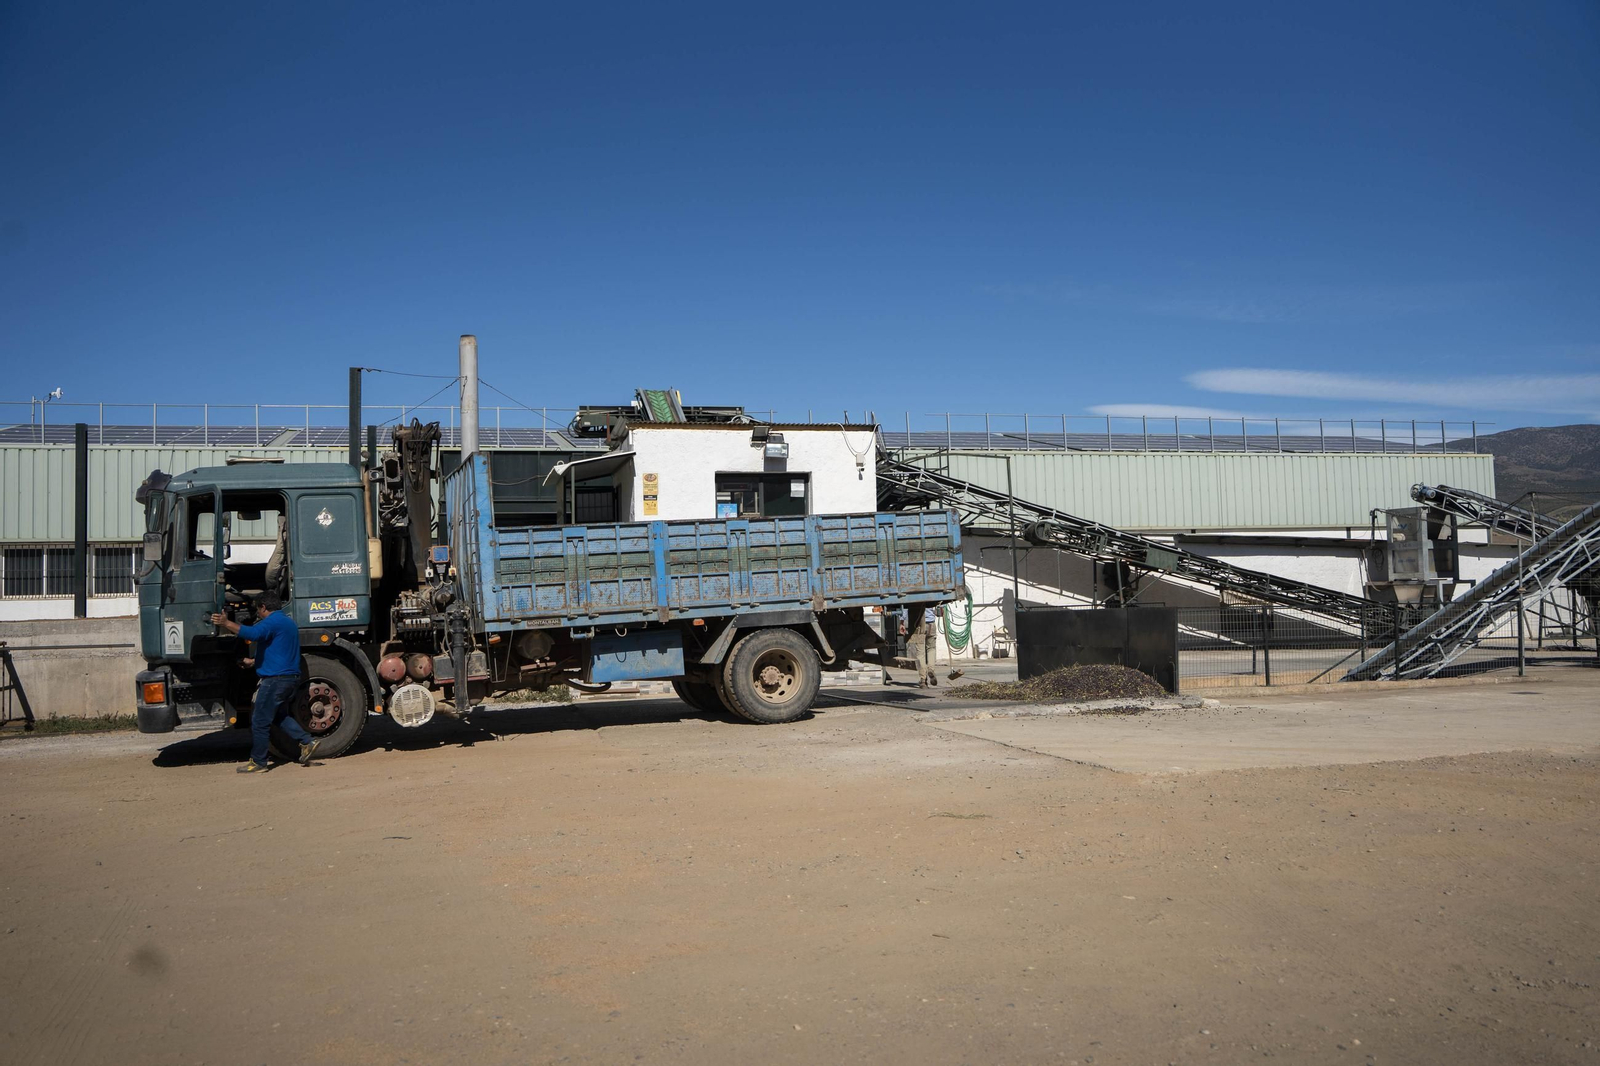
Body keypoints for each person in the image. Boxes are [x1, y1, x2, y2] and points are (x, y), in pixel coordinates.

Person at [210, 592, 319, 773]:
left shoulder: (272, 622)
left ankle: (258, 762)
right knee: (278, 716)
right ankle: (308, 741)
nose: (257, 614)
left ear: (263, 607)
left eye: (257, 610)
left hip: (275, 681)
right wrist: (254, 662)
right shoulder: (288, 622)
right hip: (289, 679)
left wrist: (225, 623)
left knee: (260, 720)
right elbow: (279, 651)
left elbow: (253, 634)